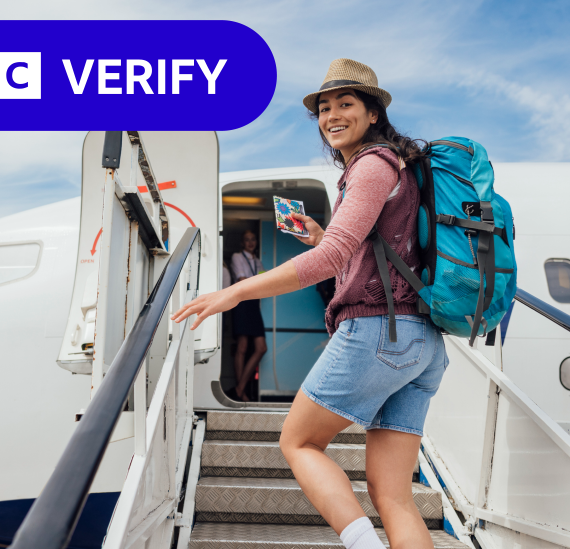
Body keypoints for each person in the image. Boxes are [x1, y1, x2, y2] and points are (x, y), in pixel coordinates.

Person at [173, 58, 446, 549]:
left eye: (346, 104)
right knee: (395, 497)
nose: (332, 115)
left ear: (373, 114)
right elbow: (363, 255)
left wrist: (234, 290)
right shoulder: (401, 169)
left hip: (378, 334)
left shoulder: (371, 164)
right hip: (422, 342)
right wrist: (323, 237)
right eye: (324, 108)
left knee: (298, 442)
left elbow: (333, 259)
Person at [229, 230, 267, 402]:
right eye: (247, 240)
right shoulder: (237, 256)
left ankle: (238, 389)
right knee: (242, 347)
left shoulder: (258, 261)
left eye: (253, 239)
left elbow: (264, 283)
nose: (250, 242)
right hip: (242, 303)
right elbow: (242, 280)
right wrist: (259, 282)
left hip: (253, 304)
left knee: (261, 348)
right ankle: (241, 393)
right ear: (242, 243)